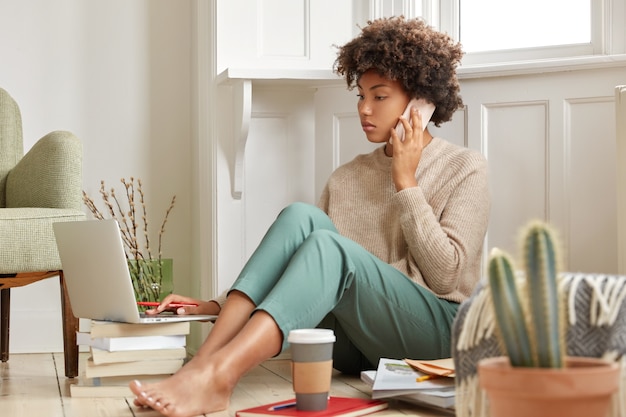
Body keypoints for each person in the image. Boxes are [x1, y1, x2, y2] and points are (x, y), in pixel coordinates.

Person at [129, 16, 490, 417]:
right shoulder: (348, 176)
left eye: (380, 96)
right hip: (360, 346)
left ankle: (221, 377)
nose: (364, 108)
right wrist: (217, 304)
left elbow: (446, 277)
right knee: (301, 218)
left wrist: (406, 182)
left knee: (327, 246)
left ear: (420, 102)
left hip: (438, 335)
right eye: (360, 95)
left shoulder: (464, 167)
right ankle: (200, 368)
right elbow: (303, 270)